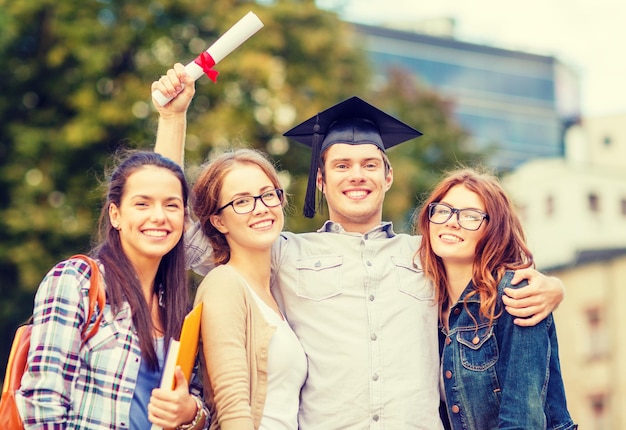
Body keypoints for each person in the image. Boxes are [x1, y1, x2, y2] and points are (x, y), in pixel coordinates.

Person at [151, 65, 565, 429]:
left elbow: (489, 273)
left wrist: (551, 287)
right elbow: (177, 236)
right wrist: (172, 119)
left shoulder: (429, 254)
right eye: (341, 166)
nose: (357, 176)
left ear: (388, 177)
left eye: (370, 165)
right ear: (320, 181)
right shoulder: (280, 255)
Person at [16, 151, 209, 430]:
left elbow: (197, 404)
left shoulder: (178, 308)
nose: (159, 216)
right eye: (142, 204)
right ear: (115, 215)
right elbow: (41, 400)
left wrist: (192, 412)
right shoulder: (77, 281)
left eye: (172, 206)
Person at [415, 168, 577, 429]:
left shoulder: (516, 296)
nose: (452, 222)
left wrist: (558, 287)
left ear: (494, 230)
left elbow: (522, 420)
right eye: (443, 210)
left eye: (470, 216)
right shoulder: (421, 300)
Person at [191, 148, 307, 429]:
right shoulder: (225, 284)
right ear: (218, 221)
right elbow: (232, 408)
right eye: (241, 201)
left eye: (268, 194)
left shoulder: (274, 294)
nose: (260, 207)